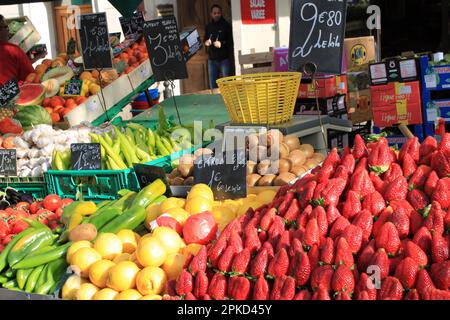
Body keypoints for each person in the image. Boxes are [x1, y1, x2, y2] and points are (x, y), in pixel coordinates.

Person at [0, 14, 34, 84]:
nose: (8, 30)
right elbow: (31, 78)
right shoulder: (13, 50)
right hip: (15, 94)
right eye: (6, 27)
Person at [205, 4, 232, 89]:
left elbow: (230, 42)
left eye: (218, 13)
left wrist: (221, 43)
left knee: (226, 85)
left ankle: (227, 101)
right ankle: (214, 101)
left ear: (221, 13)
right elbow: (204, 39)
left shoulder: (226, 25)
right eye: (214, 13)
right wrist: (207, 42)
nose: (216, 15)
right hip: (212, 60)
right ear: (211, 14)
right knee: (213, 85)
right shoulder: (208, 26)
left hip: (224, 59)